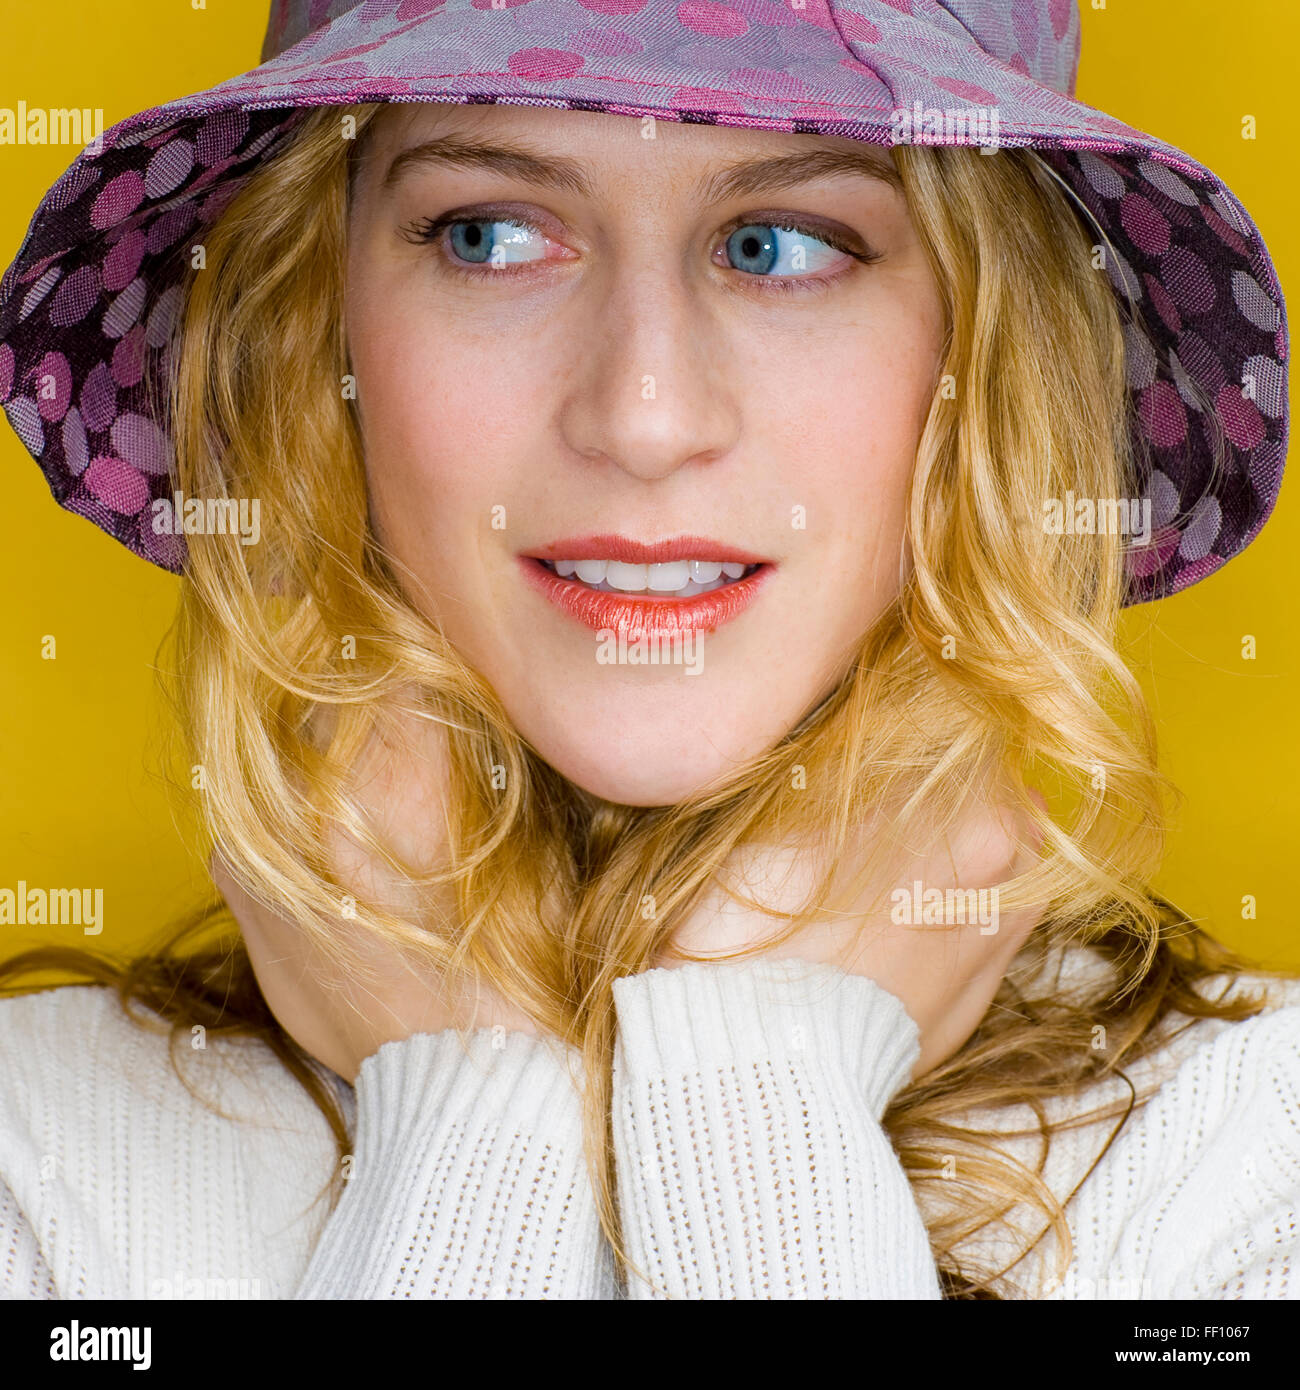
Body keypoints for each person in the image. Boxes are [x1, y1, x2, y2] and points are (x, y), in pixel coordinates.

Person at [0, 0, 1294, 1300]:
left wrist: (759, 1079)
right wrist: (469, 1109)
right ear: (314, 328)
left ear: (984, 347)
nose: (644, 414)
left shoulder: (1250, 1169)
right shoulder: (39, 1168)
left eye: (780, 245)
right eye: (489, 235)